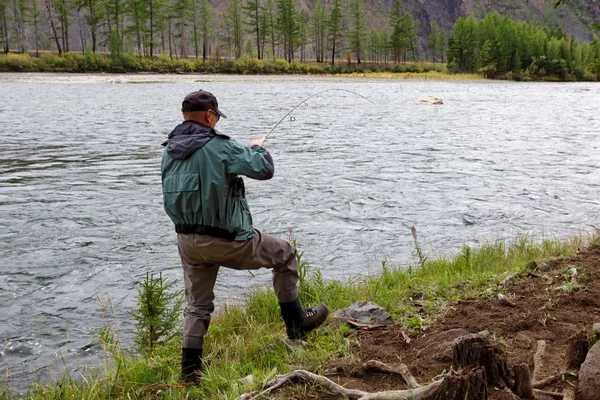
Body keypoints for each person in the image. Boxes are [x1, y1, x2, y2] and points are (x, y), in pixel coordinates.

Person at [161, 90, 329, 383]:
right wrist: (257, 148)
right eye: (215, 117)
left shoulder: (169, 150)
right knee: (285, 254)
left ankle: (189, 374)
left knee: (197, 305)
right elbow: (264, 169)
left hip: (187, 243)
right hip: (228, 241)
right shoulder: (220, 147)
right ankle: (297, 325)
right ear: (210, 116)